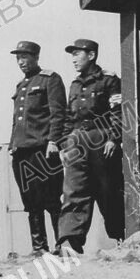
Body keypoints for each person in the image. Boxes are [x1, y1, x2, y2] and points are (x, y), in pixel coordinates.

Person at [57, 39, 124, 254]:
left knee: (108, 191)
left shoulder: (109, 80)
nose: (74, 59)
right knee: (73, 191)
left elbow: (117, 110)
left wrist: (114, 138)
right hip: (77, 141)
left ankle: (121, 237)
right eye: (72, 55)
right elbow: (69, 116)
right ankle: (70, 242)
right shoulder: (75, 84)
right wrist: (65, 143)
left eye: (78, 54)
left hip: (101, 140)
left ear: (92, 55)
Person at [8, 41, 67, 255]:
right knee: (30, 201)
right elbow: (17, 120)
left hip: (42, 149)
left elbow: (58, 113)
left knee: (51, 198)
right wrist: (13, 145)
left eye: (25, 57)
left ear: (36, 57)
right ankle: (39, 248)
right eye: (18, 58)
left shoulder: (50, 79)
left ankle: (62, 244)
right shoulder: (20, 86)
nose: (21, 62)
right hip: (21, 151)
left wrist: (54, 141)